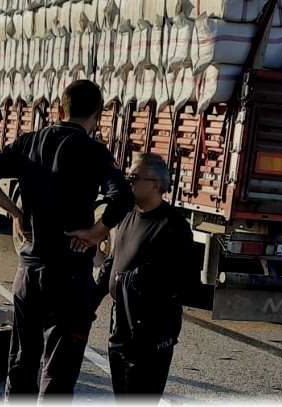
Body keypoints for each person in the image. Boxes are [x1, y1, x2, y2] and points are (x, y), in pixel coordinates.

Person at [0, 79, 134, 399]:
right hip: (69, 274)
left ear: (60, 109)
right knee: (58, 369)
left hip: (29, 271)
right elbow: (123, 196)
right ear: (98, 114)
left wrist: (16, 213)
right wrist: (96, 232)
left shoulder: (29, 142)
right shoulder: (92, 150)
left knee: (21, 361)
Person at [93, 152, 194, 400]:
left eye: (135, 177)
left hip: (151, 332)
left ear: (157, 185)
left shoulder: (173, 225)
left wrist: (132, 278)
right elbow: (112, 263)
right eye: (128, 176)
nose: (129, 182)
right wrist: (88, 301)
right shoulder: (127, 216)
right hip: (121, 329)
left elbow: (181, 276)